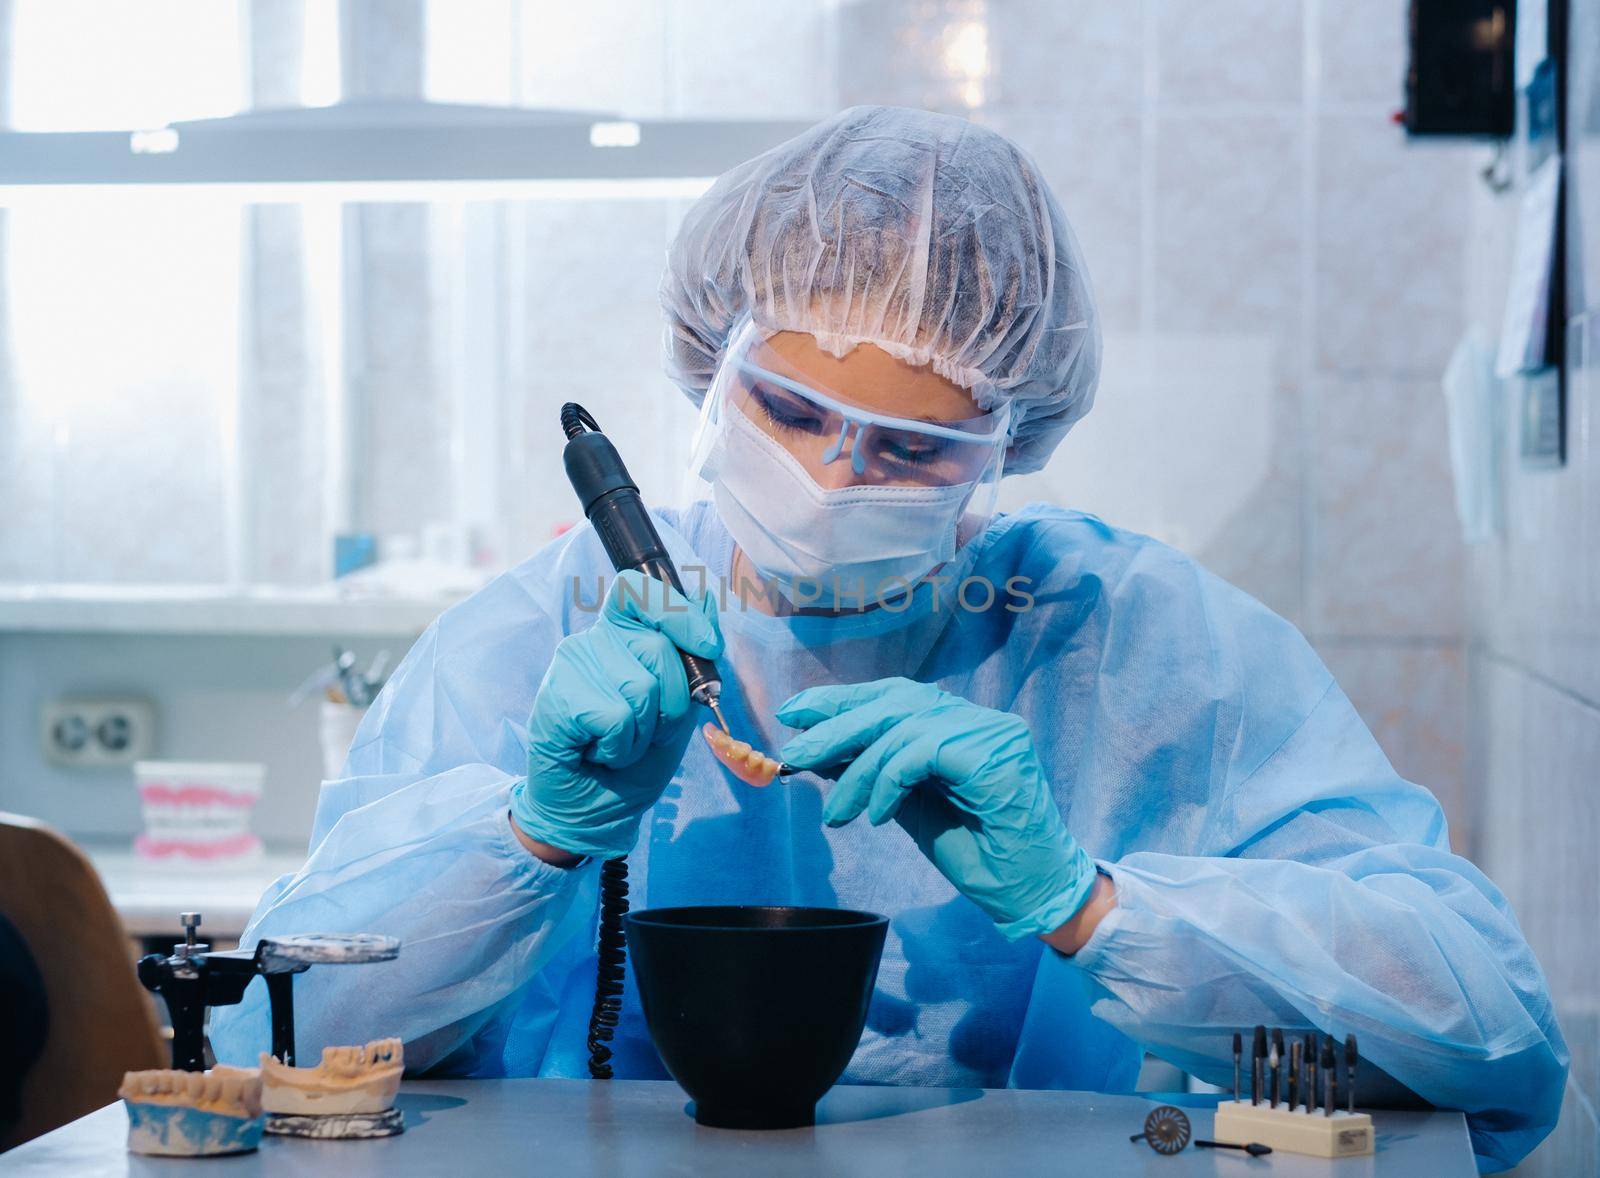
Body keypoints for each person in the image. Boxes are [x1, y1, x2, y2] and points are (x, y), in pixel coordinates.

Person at [211, 106, 1564, 1170]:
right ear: (714, 369)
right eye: (791, 411)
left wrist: (1095, 905)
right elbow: (267, 1048)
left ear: (1005, 452)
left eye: (912, 449)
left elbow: (1494, 1037)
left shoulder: (1144, 648)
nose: (834, 478)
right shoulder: (549, 633)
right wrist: (532, 838)